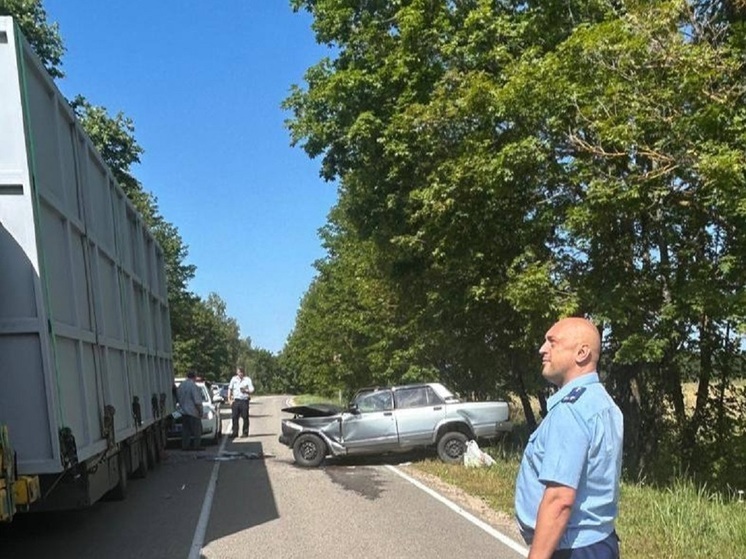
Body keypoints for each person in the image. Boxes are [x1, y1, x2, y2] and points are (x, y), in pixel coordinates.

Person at [515, 317, 623, 559]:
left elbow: (559, 500)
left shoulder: (570, 411)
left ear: (582, 353)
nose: (542, 349)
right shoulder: (603, 402)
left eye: (552, 342)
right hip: (600, 542)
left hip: (572, 548)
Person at [176, 371, 204, 451]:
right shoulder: (193, 386)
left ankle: (185, 446)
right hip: (193, 412)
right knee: (197, 431)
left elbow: (177, 398)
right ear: (194, 377)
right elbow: (197, 401)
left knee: (186, 431)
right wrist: (200, 411)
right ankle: (197, 446)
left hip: (183, 412)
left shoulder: (181, 385)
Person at [228, 366, 254, 438]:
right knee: (234, 417)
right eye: (239, 372)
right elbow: (230, 389)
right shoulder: (233, 379)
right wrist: (229, 399)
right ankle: (235, 432)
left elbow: (252, 389)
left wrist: (246, 390)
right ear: (237, 372)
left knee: (245, 417)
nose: (240, 373)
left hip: (244, 401)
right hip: (236, 401)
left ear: (243, 373)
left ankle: (245, 432)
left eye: (241, 372)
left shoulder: (247, 380)